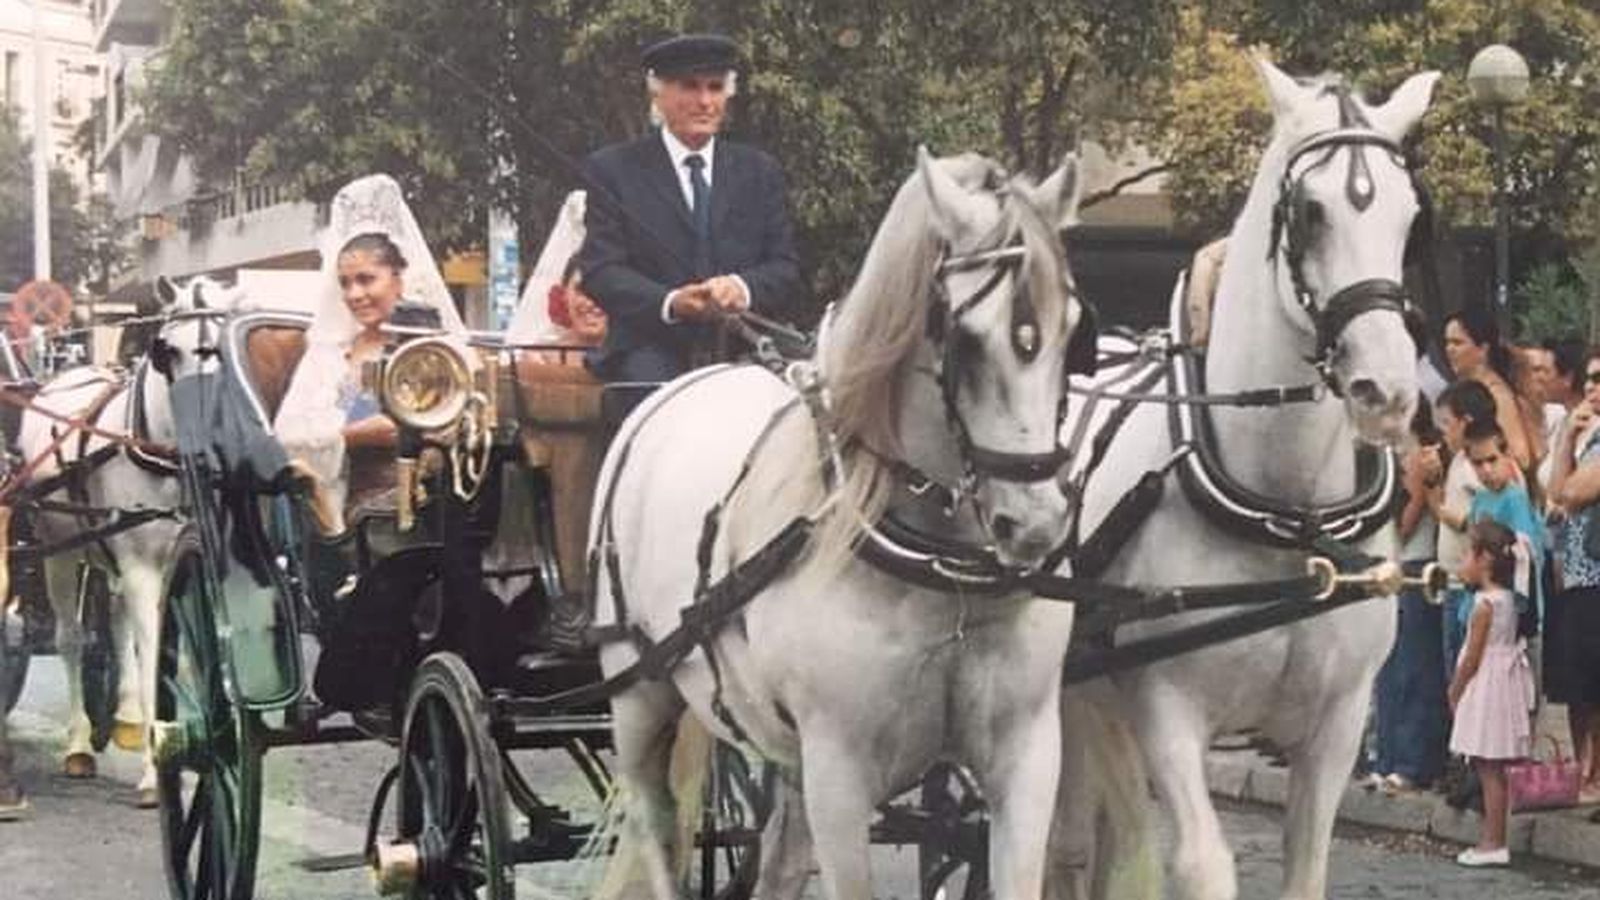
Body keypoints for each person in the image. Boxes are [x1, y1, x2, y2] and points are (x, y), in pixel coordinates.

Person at [576, 32, 804, 388]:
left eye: (715, 88)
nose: (704, 101)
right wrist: (671, 302)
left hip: (746, 352)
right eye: (689, 87)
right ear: (658, 93)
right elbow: (601, 270)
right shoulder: (613, 170)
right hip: (649, 352)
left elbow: (785, 267)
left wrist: (740, 287)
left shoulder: (760, 171)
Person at [276, 174, 466, 522]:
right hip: (354, 518)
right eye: (345, 283)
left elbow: (473, 428)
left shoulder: (440, 351)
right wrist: (352, 436)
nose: (354, 295)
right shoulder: (328, 356)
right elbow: (288, 437)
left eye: (366, 279)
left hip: (442, 510)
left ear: (399, 278)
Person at [1447, 519, 1537, 867]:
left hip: (1487, 682)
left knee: (1488, 768)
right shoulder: (1509, 600)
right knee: (1493, 769)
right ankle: (1492, 839)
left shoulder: (1485, 604)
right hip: (1504, 679)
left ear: (1484, 559)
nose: (1462, 561)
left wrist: (1455, 690)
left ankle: (1493, 842)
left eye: (1468, 553)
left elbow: (1472, 656)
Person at [1370, 397, 1447, 793]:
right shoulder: (1387, 453)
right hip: (1391, 567)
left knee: (1413, 669)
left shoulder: (1417, 454)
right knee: (1389, 670)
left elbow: (1408, 517)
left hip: (1412, 564)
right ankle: (1385, 756)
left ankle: (1411, 760)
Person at [1547, 347, 1600, 804]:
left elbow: (1574, 491)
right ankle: (1581, 769)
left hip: (1597, 575)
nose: (1592, 390)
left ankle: (1595, 774)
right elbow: (1553, 496)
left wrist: (1566, 485)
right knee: (1576, 682)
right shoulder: (1586, 436)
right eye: (1590, 380)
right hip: (1575, 575)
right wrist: (1566, 437)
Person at [1424, 379, 1496, 674]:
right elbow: (1441, 510)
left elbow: (1493, 521)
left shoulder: (1478, 466)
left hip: (1470, 585)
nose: (1442, 433)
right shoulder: (1458, 462)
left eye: (1446, 423)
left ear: (1465, 422)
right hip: (1453, 581)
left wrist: (1461, 520)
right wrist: (1432, 480)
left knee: (1464, 670)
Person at [1442, 308, 1540, 471]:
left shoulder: (1497, 394)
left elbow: (1522, 457)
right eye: (1447, 342)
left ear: (1483, 349)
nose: (1449, 349)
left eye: (1458, 342)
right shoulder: (1464, 389)